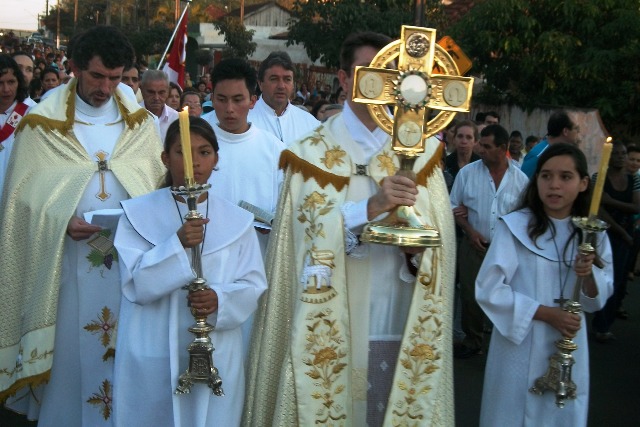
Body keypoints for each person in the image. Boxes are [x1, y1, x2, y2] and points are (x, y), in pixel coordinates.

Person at [244, 31, 456, 426]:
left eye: (390, 74)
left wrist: (417, 255)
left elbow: (440, 254)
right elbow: (297, 248)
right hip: (326, 320)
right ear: (343, 79)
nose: (382, 85)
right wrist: (369, 209)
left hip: (395, 315)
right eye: (367, 73)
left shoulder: (425, 156)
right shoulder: (308, 155)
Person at [0, 26, 165, 426]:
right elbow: (20, 205)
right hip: (67, 266)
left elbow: (156, 185)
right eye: (97, 76)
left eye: (115, 77)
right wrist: (58, 222)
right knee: (73, 363)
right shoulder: (42, 124)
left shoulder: (140, 123)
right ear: (74, 68)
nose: (106, 88)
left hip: (127, 265)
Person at [113, 117, 267, 426]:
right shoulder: (136, 214)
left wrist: (220, 300)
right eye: (182, 152)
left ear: (217, 159)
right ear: (165, 158)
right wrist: (177, 244)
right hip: (152, 345)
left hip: (217, 349)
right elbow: (134, 285)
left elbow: (253, 285)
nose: (194, 162)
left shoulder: (238, 221)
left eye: (205, 152)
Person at [476, 143, 613, 426]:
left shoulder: (592, 234)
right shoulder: (514, 227)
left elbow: (598, 299)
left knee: (559, 413)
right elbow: (489, 289)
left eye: (565, 177)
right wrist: (546, 314)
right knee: (512, 412)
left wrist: (587, 274)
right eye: (546, 176)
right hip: (518, 343)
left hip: (569, 343)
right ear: (535, 180)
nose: (554, 185)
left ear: (583, 183)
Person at [449, 124, 529, 358]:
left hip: (506, 250)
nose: (479, 149)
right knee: (470, 295)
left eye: (486, 146)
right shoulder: (468, 174)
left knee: (502, 296)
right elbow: (453, 206)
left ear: (502, 149)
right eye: (479, 144)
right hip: (472, 245)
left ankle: (498, 344)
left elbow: (525, 217)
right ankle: (472, 341)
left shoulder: (520, 180)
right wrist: (469, 230)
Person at [202, 57, 285, 255]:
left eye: (238, 100)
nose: (229, 109)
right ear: (212, 98)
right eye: (222, 99)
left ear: (252, 101)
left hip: (255, 255)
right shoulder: (195, 142)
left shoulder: (275, 150)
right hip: (206, 253)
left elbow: (285, 210)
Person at [591, 141, 640, 341]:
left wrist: (610, 201)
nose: (620, 157)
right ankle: (598, 321)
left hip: (625, 236)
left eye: (623, 154)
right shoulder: (598, 177)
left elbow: (636, 207)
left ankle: (605, 323)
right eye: (616, 153)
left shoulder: (633, 179)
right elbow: (596, 208)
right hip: (605, 233)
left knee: (617, 280)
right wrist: (619, 228)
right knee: (599, 276)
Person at [248, 51, 319, 145]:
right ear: (260, 84)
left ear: (293, 85)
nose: (281, 86)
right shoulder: (245, 120)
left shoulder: (310, 123)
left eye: (287, 79)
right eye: (274, 79)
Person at [0, 54, 30, 203]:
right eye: (0, 83)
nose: (6, 89)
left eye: (11, 82)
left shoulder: (33, 115)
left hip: (19, 200)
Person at [521, 110, 580, 178]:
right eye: (576, 129)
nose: (578, 132)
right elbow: (523, 184)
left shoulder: (567, 153)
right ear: (565, 131)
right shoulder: (537, 156)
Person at [140, 69, 179, 141]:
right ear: (141, 90)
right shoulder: (131, 116)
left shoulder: (177, 119)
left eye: (161, 92)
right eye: (151, 92)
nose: (156, 98)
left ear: (168, 91)